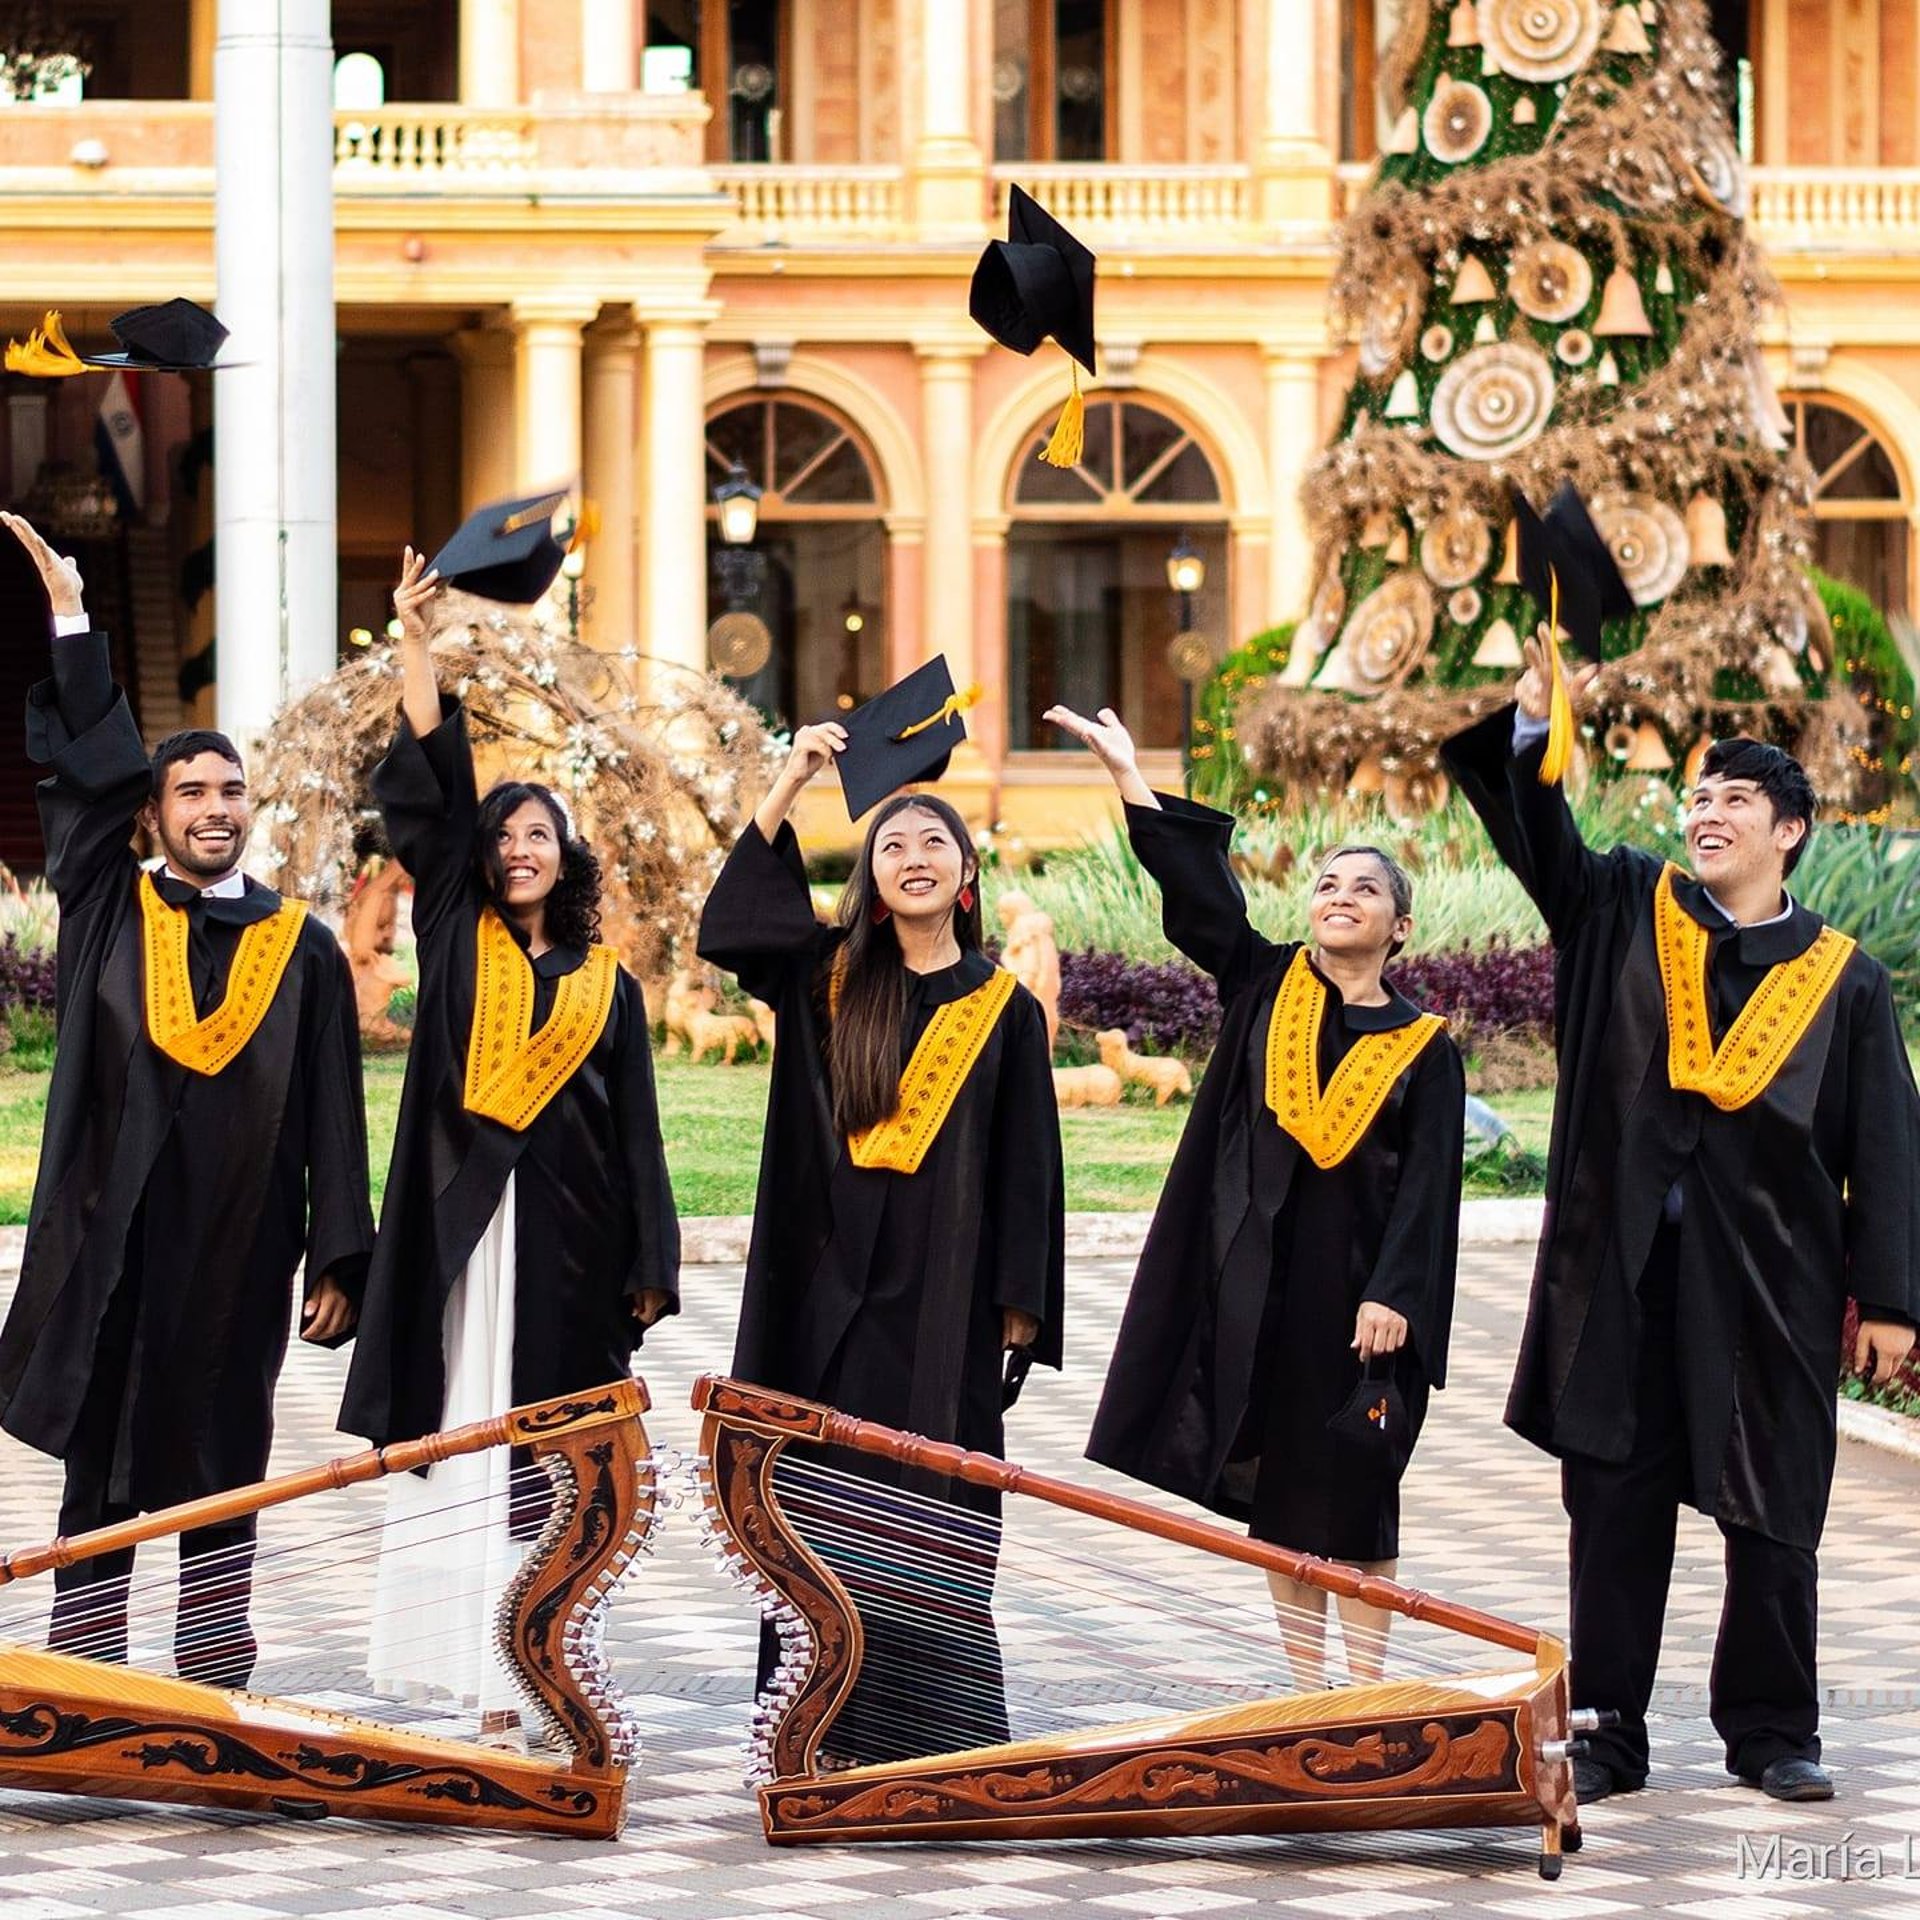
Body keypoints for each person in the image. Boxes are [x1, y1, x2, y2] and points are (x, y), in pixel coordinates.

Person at [1442, 632, 1920, 1805]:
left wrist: (1896, 1303)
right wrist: (1528, 731)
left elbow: (1890, 1150)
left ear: (1789, 830)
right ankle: (1605, 1733)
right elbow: (1538, 835)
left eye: (1738, 799)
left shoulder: (1846, 979)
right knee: (1611, 1504)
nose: (1708, 813)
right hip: (1624, 1274)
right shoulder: (1623, 907)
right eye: (1699, 795)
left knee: (1773, 1509)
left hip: (1773, 1282)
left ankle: (1770, 1732)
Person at [0, 509, 373, 1688]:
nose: (215, 807)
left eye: (231, 791)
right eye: (192, 791)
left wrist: (339, 1256)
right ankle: (89, 1672)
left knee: (225, 1444)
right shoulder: (113, 907)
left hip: (240, 1244)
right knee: (102, 1454)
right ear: (154, 815)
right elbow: (93, 775)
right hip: (113, 1239)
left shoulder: (300, 949)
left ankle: (213, 1677)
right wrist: (73, 621)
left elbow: (333, 1112)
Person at [339, 545, 679, 1742]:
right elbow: (430, 787)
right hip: (460, 1234)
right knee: (462, 1449)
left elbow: (635, 1130)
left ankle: (545, 1671)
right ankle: (469, 1680)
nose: (520, 848)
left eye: (540, 834)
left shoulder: (605, 983)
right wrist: (417, 641)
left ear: (567, 853)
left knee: (556, 1470)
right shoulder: (456, 932)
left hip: (575, 1250)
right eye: (505, 836)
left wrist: (650, 1263)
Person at [1051, 704, 1463, 1689]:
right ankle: (1307, 1692)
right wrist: (1129, 781)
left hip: (1362, 1303)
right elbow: (1202, 902)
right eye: (1328, 883)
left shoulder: (1424, 1046)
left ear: (1400, 927)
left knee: (1359, 1489)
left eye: (1366, 888)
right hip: (1265, 1289)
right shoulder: (1265, 985)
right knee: (1282, 1495)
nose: (1340, 894)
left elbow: (1433, 1190)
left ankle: (1368, 1691)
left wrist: (1396, 1295)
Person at [697, 715, 1064, 1764]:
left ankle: (931, 1734)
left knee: (932, 1506)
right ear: (869, 875)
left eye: (932, 844)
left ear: (966, 876)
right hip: (822, 1297)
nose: (911, 858)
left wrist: (1019, 1307)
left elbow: (1031, 1166)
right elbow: (730, 931)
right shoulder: (826, 982)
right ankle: (813, 1731)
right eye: (891, 845)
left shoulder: (1000, 1006)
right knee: (815, 1502)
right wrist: (791, 781)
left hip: (942, 1300)